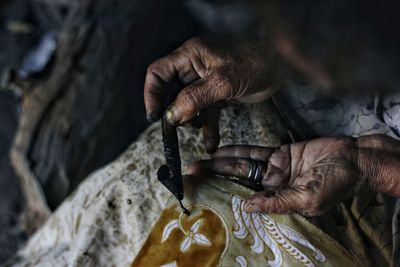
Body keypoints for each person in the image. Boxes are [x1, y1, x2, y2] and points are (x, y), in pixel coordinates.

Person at [7, 1, 400, 266]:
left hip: (379, 184)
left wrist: (370, 166)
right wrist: (270, 57)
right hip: (296, 118)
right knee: (123, 196)